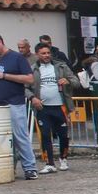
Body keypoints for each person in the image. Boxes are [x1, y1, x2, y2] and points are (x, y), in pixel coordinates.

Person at [0, 33, 38, 180]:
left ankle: (30, 168)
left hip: (13, 103)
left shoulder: (17, 58)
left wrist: (3, 76)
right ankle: (7, 167)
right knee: (1, 138)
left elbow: (29, 79)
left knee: (20, 136)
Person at [28, 42, 78, 172]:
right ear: (37, 54)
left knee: (63, 134)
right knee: (45, 135)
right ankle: (49, 163)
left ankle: (63, 158)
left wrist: (67, 81)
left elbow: (76, 82)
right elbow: (25, 88)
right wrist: (33, 98)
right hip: (42, 107)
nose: (46, 56)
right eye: (43, 53)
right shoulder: (32, 69)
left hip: (60, 106)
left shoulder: (61, 66)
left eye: (48, 53)